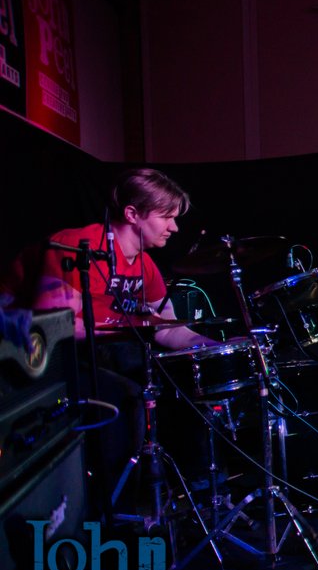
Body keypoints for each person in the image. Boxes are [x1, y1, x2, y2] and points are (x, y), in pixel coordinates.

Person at [33, 168, 218, 501]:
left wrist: (212, 348)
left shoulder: (145, 265)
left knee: (184, 381)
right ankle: (120, 510)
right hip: (51, 362)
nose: (174, 227)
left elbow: (168, 330)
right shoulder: (75, 247)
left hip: (107, 354)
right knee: (127, 395)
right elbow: (50, 327)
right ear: (133, 214)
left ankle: (196, 491)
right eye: (167, 217)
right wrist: (122, 326)